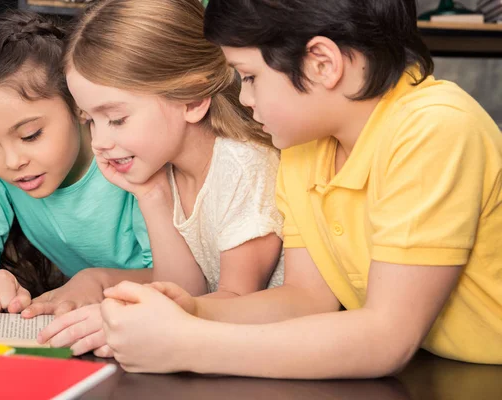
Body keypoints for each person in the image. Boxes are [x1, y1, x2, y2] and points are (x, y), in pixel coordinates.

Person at [90, 0, 502, 377]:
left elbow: (386, 337)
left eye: (249, 77)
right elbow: (306, 298)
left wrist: (187, 344)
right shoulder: (306, 147)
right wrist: (193, 310)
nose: (244, 98)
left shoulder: (433, 128)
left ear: (322, 63)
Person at [37, 0, 285, 356]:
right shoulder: (165, 167)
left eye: (117, 119)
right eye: (90, 120)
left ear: (191, 100)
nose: (100, 142)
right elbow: (186, 289)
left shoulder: (242, 167)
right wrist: (150, 195)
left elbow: (237, 302)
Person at [0, 9, 153, 314]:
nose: (11, 161)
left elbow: (185, 279)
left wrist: (97, 282)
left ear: (79, 106)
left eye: (30, 135)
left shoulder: (129, 153)